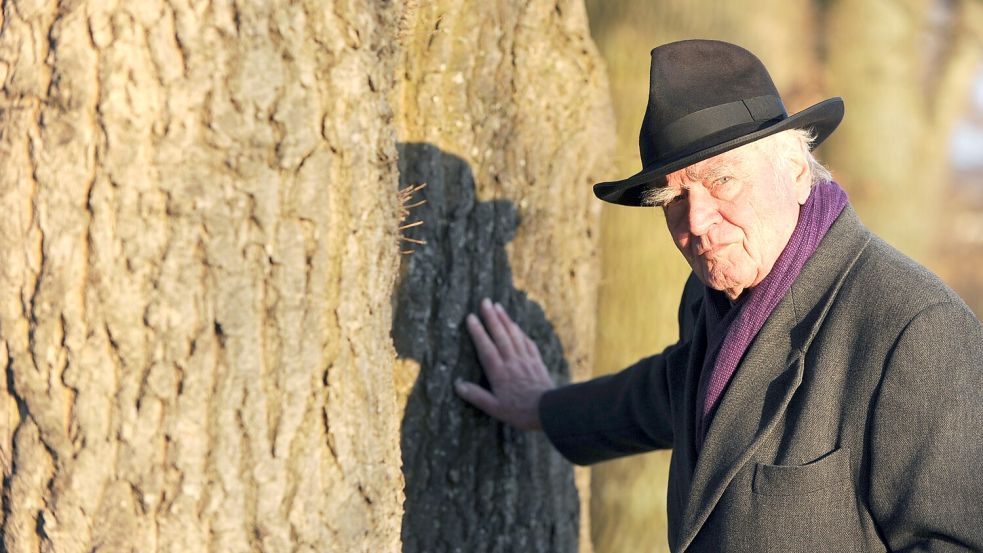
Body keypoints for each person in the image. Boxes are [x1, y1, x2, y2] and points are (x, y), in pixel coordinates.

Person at [454, 40, 983, 552]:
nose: (697, 221)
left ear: (796, 171)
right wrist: (545, 408)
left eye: (722, 180)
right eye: (674, 197)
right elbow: (670, 392)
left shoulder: (913, 328)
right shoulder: (715, 300)